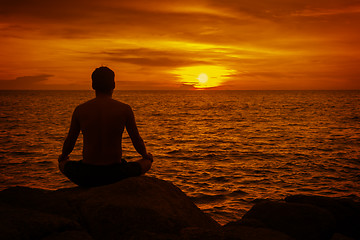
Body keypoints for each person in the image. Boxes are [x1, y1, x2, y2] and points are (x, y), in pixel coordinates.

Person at [58, 66, 153, 187]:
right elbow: (136, 140)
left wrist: (63, 157)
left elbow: (69, 142)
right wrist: (146, 155)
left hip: (87, 175)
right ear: (113, 85)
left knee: (62, 164)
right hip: (116, 174)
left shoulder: (80, 110)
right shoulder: (124, 109)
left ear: (93, 85)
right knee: (147, 162)